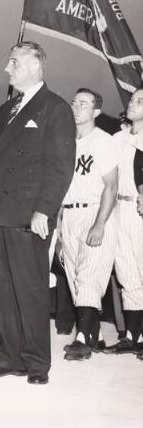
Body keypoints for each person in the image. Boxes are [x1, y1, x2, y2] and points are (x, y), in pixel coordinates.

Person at [0, 42, 75, 385]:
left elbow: (60, 167)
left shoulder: (56, 108)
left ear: (36, 64)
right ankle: (10, 355)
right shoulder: (7, 110)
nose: (7, 68)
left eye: (14, 62)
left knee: (29, 288)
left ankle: (36, 362)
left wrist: (44, 211)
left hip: (27, 214)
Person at [60, 89, 118, 361]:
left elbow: (111, 185)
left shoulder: (103, 141)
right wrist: (60, 231)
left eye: (84, 103)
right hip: (69, 215)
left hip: (95, 211)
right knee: (75, 278)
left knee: (89, 276)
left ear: (96, 112)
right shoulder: (66, 142)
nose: (76, 107)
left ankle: (82, 339)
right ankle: (93, 335)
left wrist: (99, 224)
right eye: (74, 102)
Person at [104, 87, 143, 357]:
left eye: (140, 101)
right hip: (120, 208)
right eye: (132, 99)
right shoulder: (116, 138)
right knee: (126, 273)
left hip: (140, 209)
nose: (132, 104)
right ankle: (132, 335)